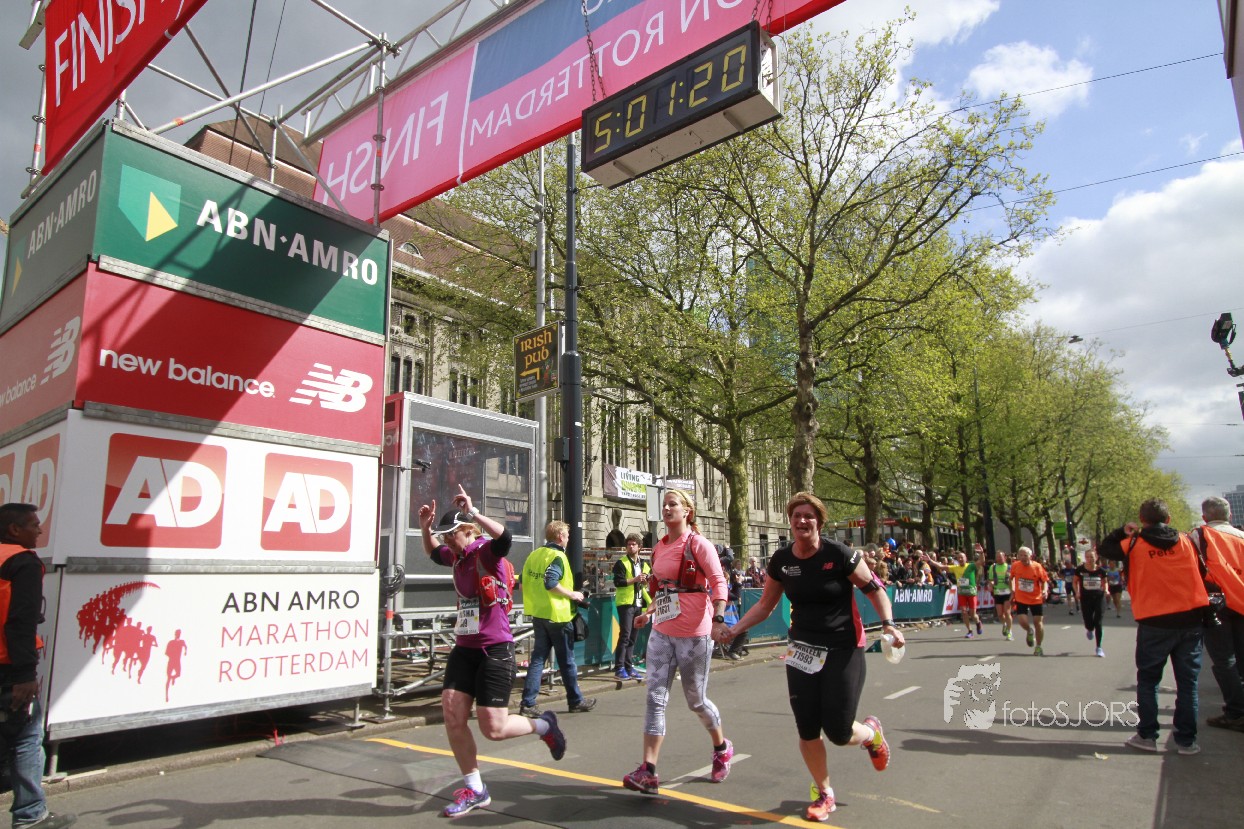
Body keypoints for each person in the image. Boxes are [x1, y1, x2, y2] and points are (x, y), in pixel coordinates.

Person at [718, 492, 901, 822]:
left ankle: (871, 734)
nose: (802, 521)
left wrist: (888, 624)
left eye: (809, 516)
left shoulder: (839, 554)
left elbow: (874, 589)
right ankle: (824, 792)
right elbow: (765, 605)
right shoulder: (781, 560)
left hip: (844, 647)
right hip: (802, 650)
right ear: (790, 522)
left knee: (839, 732)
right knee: (807, 728)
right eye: (796, 516)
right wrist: (734, 629)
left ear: (819, 521)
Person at [419, 487, 567, 817]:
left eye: (451, 535)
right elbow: (432, 552)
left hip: (494, 648)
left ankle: (544, 726)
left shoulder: (484, 552)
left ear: (466, 531)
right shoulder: (456, 557)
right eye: (445, 536)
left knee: (494, 729)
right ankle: (475, 789)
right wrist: (426, 529)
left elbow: (505, 538)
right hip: (464, 647)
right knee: (452, 713)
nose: (447, 541)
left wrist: (473, 511)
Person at [621, 489, 733, 796]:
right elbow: (663, 589)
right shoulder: (659, 548)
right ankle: (648, 771)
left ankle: (721, 748)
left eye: (674, 504)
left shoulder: (698, 544)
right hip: (662, 632)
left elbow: (718, 582)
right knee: (655, 697)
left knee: (696, 700)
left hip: (694, 634)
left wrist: (718, 618)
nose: (667, 508)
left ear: (687, 511)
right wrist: (648, 613)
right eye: (665, 504)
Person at [1099, 498, 1209, 755]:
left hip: (1154, 620)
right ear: (1168, 519)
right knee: (1188, 684)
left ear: (1142, 520)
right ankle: (1187, 741)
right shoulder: (1186, 541)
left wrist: (1122, 531)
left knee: (1148, 681)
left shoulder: (1133, 543)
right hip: (1190, 617)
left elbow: (1105, 549)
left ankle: (1147, 736)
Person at [0, 503, 77, 829]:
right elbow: (21, 620)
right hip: (9, 669)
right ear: (15, 530)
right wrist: (25, 675)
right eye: (34, 524)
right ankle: (31, 815)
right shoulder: (23, 563)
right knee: (26, 738)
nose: (40, 530)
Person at [518, 522, 596, 716]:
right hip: (558, 616)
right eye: (567, 536)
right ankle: (575, 701)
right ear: (560, 536)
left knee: (538, 659)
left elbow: (522, 584)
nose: (568, 539)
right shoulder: (558, 556)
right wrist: (573, 594)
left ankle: (528, 703)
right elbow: (550, 583)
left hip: (539, 614)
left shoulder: (534, 555)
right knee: (567, 661)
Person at [1190, 496, 1244, 731]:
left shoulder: (1198, 535)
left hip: (1216, 604)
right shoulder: (1242, 536)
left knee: (1224, 660)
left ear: (1204, 517)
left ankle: (1236, 712)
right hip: (1242, 602)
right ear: (1230, 515)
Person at [611, 533, 649, 681]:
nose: (630, 547)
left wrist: (645, 581)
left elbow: (646, 582)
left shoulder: (644, 563)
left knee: (633, 637)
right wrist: (635, 579)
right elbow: (618, 582)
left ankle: (628, 666)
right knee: (625, 635)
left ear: (639, 547)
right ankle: (619, 668)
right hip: (625, 603)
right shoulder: (621, 563)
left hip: (638, 603)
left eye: (633, 544)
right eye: (628, 544)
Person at [926, 551, 981, 638]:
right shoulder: (955, 567)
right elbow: (941, 566)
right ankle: (969, 631)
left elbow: (981, 562)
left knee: (973, 614)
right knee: (964, 612)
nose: (960, 559)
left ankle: (978, 623)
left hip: (971, 593)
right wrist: (930, 561)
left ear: (966, 558)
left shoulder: (971, 566)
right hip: (961, 593)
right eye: (959, 558)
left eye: (962, 557)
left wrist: (982, 553)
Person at [1010, 546, 1049, 656]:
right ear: (1018, 556)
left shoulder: (1037, 567)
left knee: (1038, 622)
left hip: (1036, 598)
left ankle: (1038, 646)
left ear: (1030, 556)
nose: (1023, 557)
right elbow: (1011, 578)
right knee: (1022, 621)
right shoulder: (1015, 565)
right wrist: (1012, 590)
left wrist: (1045, 590)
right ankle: (1029, 630)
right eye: (1021, 555)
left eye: (1025, 555)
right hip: (1021, 598)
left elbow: (1044, 581)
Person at [1074, 549, 1109, 657]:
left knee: (1098, 622)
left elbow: (1105, 582)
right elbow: (1075, 582)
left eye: (1092, 557)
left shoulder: (1101, 571)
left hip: (1099, 597)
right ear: (1085, 558)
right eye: (1088, 557)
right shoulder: (1080, 570)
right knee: (1088, 621)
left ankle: (1099, 647)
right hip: (1085, 598)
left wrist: (1106, 590)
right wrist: (1077, 592)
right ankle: (1089, 629)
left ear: (1096, 558)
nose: (1089, 559)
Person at [987, 552, 1013, 640]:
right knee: (1000, 614)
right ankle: (1004, 624)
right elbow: (990, 579)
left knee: (1007, 612)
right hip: (997, 592)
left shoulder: (1009, 567)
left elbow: (1013, 579)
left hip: (1007, 592)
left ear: (1004, 557)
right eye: (997, 557)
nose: (999, 558)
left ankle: (1010, 632)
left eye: (1001, 557)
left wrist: (1013, 591)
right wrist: (991, 584)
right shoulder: (993, 567)